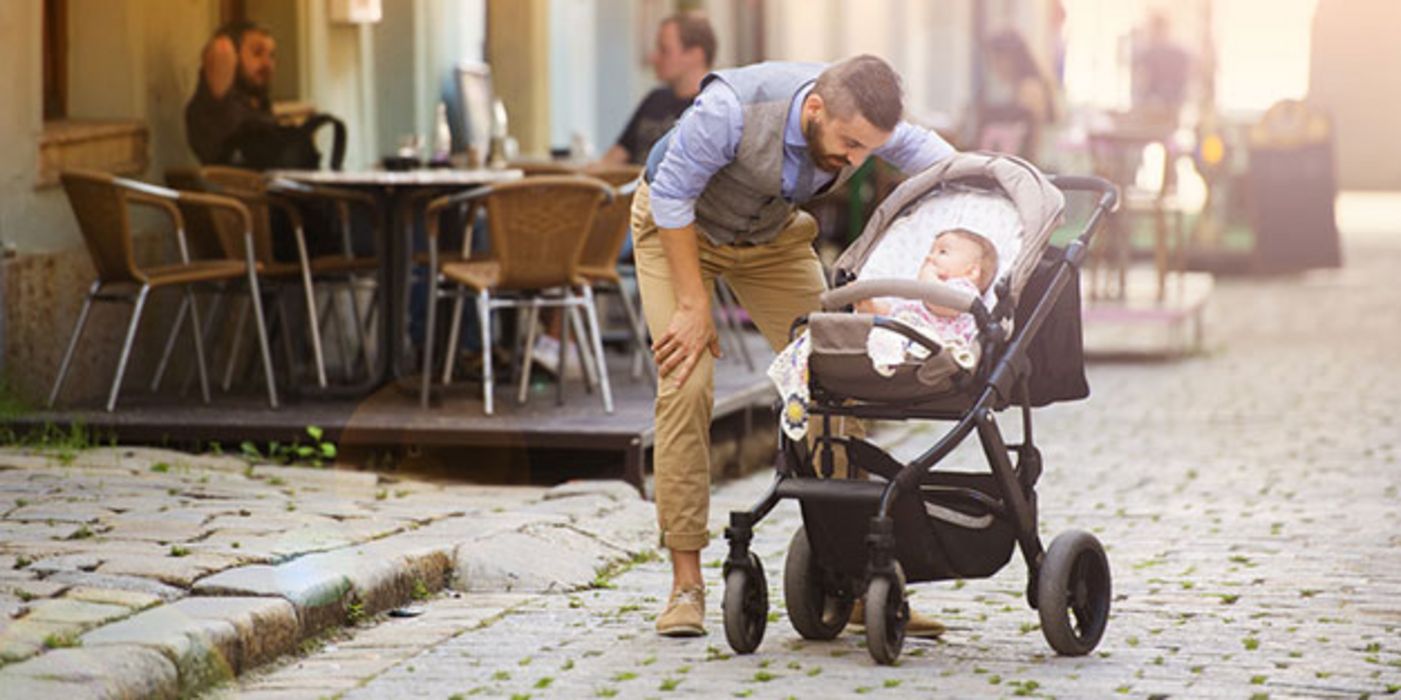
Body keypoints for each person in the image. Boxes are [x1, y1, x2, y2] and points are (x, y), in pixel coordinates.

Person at [633, 55, 957, 637]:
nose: (856, 161)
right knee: (687, 382)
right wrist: (692, 305)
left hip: (770, 239)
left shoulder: (860, 117)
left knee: (837, 375)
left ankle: (855, 578)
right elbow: (673, 197)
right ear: (814, 110)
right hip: (678, 231)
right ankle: (686, 583)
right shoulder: (730, 111)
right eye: (848, 144)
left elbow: (941, 161)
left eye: (867, 151)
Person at [861, 228, 997, 375]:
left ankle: (893, 358)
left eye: (942, 252)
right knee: (887, 328)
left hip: (939, 348)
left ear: (971, 272)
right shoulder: (921, 294)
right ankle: (889, 359)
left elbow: (941, 304)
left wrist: (927, 278)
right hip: (907, 335)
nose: (929, 257)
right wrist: (869, 305)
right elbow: (896, 310)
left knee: (897, 334)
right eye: (931, 251)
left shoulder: (964, 290)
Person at [598, 11, 717, 167]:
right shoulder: (655, 99)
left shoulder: (714, 108)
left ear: (695, 55)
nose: (653, 58)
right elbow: (615, 156)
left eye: (664, 50)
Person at [185, 20, 278, 165]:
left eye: (271, 55)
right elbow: (221, 48)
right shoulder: (216, 104)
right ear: (233, 57)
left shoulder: (258, 102)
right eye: (257, 53)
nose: (268, 64)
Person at [977, 31, 1058, 161]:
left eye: (997, 59)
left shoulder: (1029, 88)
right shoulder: (1019, 87)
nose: (994, 66)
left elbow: (1033, 140)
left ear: (1011, 58)